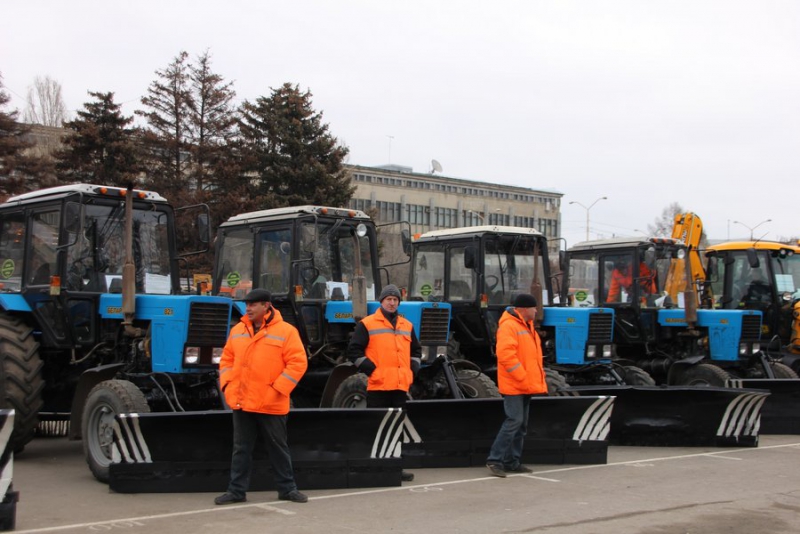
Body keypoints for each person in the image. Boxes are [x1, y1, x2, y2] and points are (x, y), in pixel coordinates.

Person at [215, 289, 309, 505]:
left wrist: (277, 389)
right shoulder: (238, 330)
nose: (248, 308)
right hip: (241, 401)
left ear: (266, 306)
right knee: (241, 449)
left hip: (271, 402)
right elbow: (226, 359)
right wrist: (227, 384)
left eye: (253, 305)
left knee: (278, 448)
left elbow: (298, 363)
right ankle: (236, 491)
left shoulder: (287, 331)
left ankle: (287, 489)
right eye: (247, 304)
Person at [347, 284, 422, 483]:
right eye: (388, 299)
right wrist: (373, 370)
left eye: (395, 299)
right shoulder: (368, 323)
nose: (392, 302)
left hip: (399, 386)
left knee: (396, 428)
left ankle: (395, 467)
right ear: (381, 301)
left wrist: (412, 369)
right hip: (379, 386)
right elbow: (354, 351)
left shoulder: (407, 325)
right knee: (377, 428)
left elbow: (416, 351)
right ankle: (375, 467)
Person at [486, 293, 548, 478]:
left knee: (521, 425)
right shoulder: (509, 326)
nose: (536, 310)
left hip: (524, 384)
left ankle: (512, 462)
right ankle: (495, 460)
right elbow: (505, 355)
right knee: (514, 421)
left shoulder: (526, 326)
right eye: (534, 307)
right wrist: (523, 377)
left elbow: (532, 358)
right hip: (516, 385)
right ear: (523, 309)